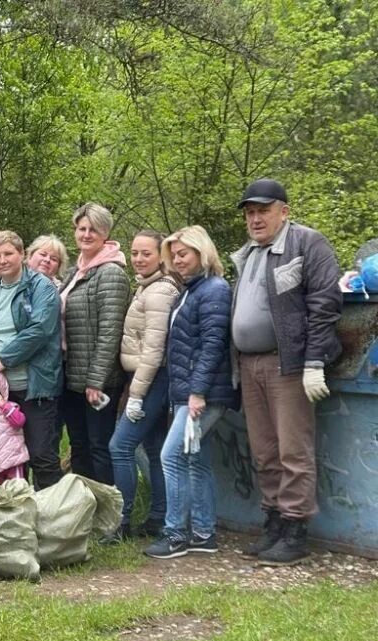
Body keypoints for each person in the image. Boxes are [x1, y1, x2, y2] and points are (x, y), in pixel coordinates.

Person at [231, 179, 342, 566]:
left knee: (293, 448)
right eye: (250, 212)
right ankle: (274, 521)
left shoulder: (307, 243)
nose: (256, 218)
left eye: (263, 210)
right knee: (264, 450)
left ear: (284, 211)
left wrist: (313, 362)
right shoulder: (248, 253)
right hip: (250, 364)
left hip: (288, 363)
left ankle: (295, 529)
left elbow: (324, 304)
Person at [144, 226, 236, 559]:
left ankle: (175, 535)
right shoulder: (192, 290)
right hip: (190, 392)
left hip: (204, 394)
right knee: (196, 461)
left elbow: (213, 345)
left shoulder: (214, 289)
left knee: (171, 457)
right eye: (174, 256)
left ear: (202, 252)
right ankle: (203, 533)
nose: (178, 261)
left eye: (184, 254)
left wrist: (197, 392)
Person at [0, 230, 63, 490]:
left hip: (36, 387)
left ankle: (52, 515)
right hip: (1, 394)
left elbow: (41, 328)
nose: (2, 260)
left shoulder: (40, 286)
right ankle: (17, 512)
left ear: (22, 255)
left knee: (41, 453)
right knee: (5, 456)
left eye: (8, 253)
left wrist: (5, 360)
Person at [105, 231, 180, 543]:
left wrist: (136, 394)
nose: (138, 259)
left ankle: (121, 521)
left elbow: (153, 349)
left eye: (146, 253)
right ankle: (158, 516)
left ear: (161, 256)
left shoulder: (161, 291)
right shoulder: (147, 287)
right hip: (147, 378)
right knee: (153, 448)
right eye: (134, 253)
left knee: (119, 447)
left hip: (151, 378)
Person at [59, 202, 131, 485]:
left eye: (94, 229)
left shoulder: (110, 272)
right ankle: (83, 509)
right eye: (81, 228)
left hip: (98, 381)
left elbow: (110, 331)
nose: (86, 234)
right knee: (80, 446)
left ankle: (109, 513)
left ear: (105, 234)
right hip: (72, 377)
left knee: (100, 447)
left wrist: (96, 380)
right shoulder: (77, 270)